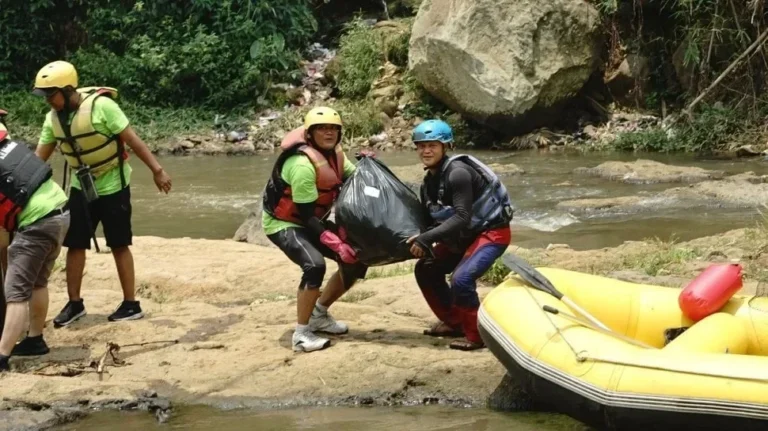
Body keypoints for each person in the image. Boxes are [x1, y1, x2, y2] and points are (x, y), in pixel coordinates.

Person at [31, 60, 172, 327]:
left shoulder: (103, 107)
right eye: (45, 96)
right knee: (75, 244)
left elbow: (132, 139)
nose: (48, 100)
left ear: (68, 89)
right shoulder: (52, 120)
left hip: (113, 184)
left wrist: (157, 170)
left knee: (119, 243)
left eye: (51, 94)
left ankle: (131, 304)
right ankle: (75, 303)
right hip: (79, 186)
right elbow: (40, 159)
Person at [262, 106, 372, 353]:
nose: (329, 133)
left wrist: (372, 171)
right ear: (309, 134)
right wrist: (333, 242)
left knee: (357, 258)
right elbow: (306, 217)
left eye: (334, 128)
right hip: (286, 223)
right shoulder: (302, 165)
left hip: (312, 219)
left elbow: (355, 180)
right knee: (314, 266)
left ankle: (319, 314)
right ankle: (301, 334)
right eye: (322, 128)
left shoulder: (336, 155)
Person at [406, 119, 515, 351]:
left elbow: (462, 216)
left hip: (491, 233)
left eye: (433, 145)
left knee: (462, 279)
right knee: (426, 268)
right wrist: (420, 237)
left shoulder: (458, 173)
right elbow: (429, 221)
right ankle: (455, 322)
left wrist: (426, 239)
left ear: (446, 146)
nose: (426, 150)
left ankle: (477, 336)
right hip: (462, 236)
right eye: (422, 146)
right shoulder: (428, 183)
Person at [0, 110, 70, 372]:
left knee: (15, 292)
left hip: (37, 223)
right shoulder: (11, 147)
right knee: (38, 281)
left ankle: (2, 356)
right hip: (61, 213)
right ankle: (35, 340)